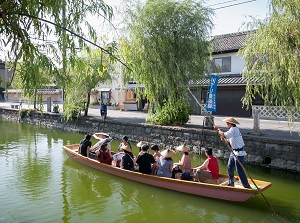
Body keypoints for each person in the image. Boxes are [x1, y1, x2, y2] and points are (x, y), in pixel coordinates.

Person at [217, 117, 251, 188]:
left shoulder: (234, 129)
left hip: (239, 153)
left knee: (239, 170)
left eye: (227, 123)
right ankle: (231, 183)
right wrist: (223, 139)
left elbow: (224, 134)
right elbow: (228, 142)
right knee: (230, 167)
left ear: (230, 124)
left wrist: (218, 130)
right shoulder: (232, 130)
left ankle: (246, 185)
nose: (227, 125)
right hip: (233, 152)